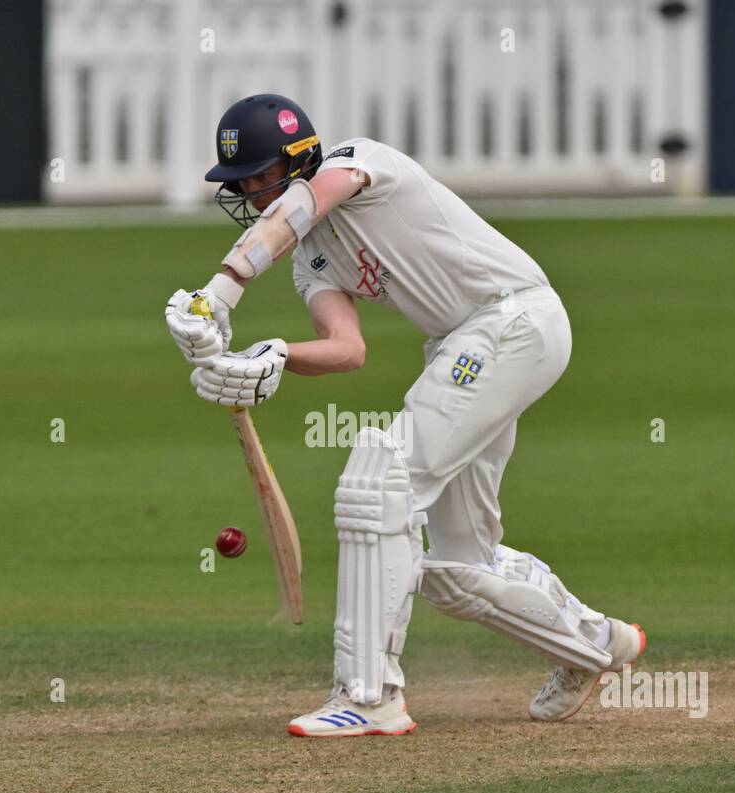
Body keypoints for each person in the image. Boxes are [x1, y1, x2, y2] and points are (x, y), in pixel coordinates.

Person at [165, 93, 645, 737]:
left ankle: (368, 695)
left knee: (381, 479)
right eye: (240, 183)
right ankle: (597, 645)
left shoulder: (356, 163)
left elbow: (303, 205)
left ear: (299, 159)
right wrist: (272, 358)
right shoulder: (311, 260)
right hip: (469, 344)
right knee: (457, 571)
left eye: (261, 176)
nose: (251, 193)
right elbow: (346, 350)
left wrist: (221, 289)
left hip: (509, 320)